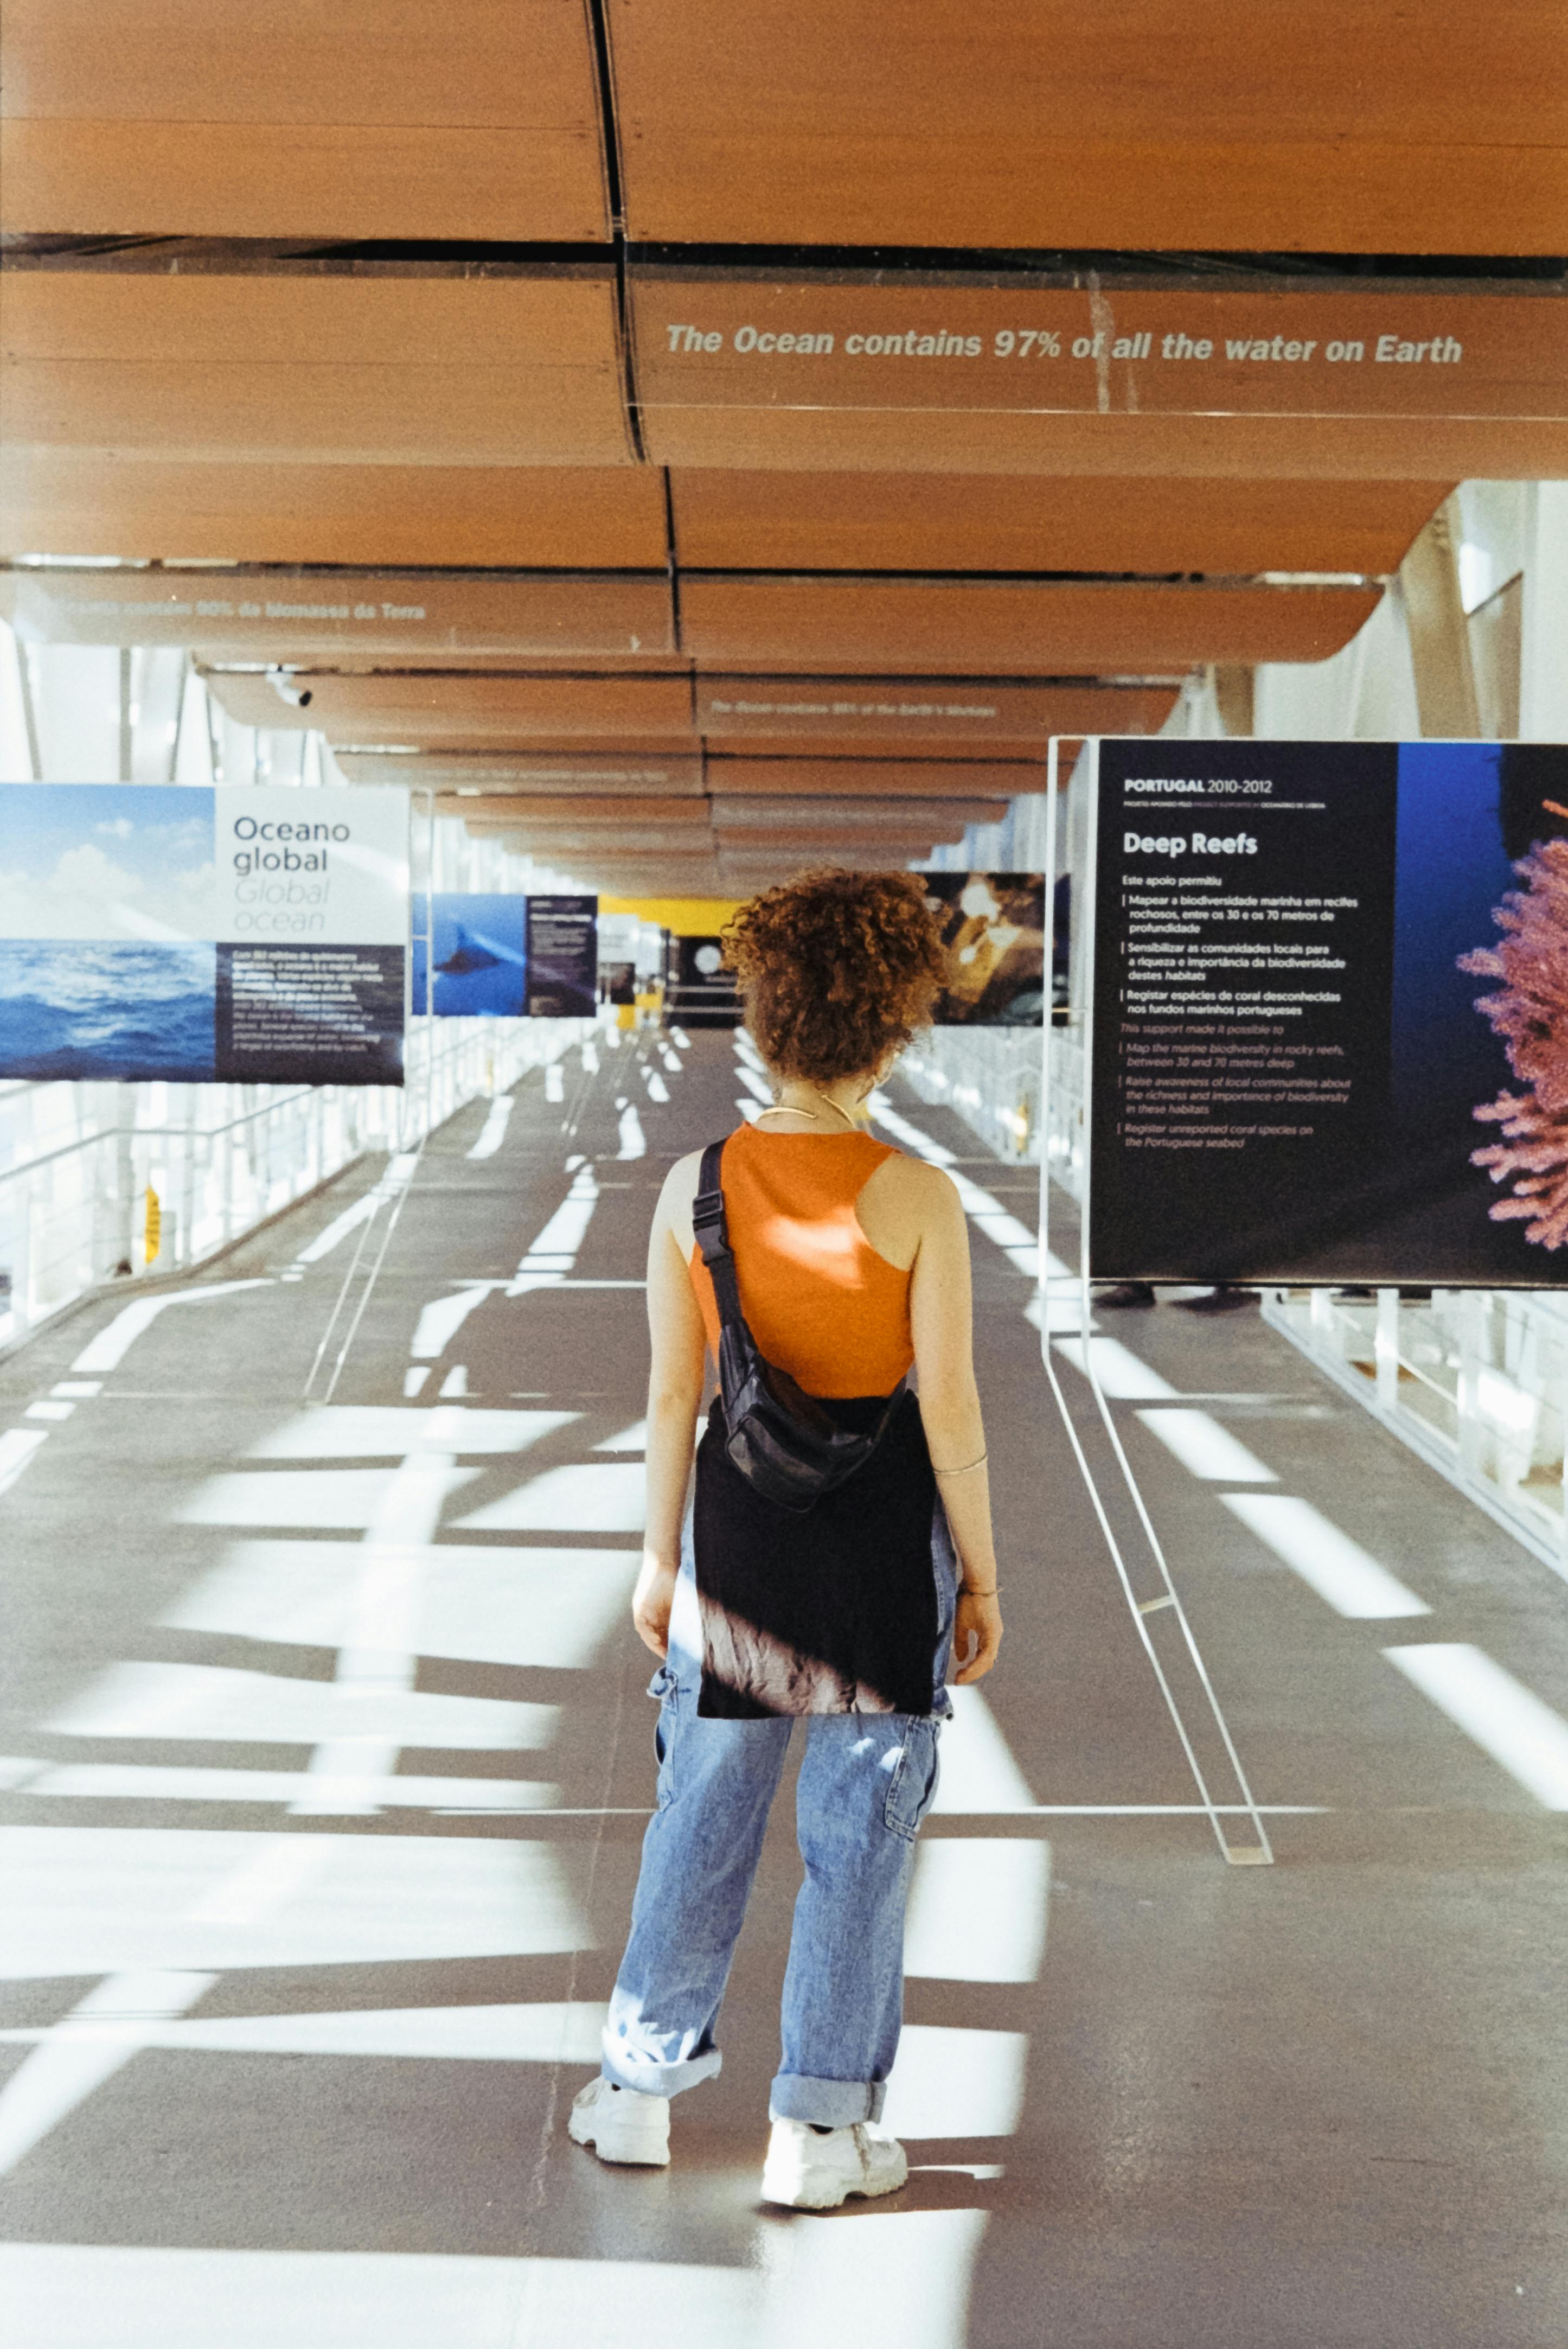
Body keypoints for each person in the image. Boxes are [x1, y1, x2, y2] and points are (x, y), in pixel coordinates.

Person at [569, 869, 1004, 2211]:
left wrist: (655, 1557)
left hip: (738, 1542)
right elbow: (952, 1409)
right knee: (861, 1830)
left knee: (702, 1805)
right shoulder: (919, 1198)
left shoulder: (693, 1189)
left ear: (765, 1020)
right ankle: (819, 2129)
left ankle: (638, 2090)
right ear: (894, 1028)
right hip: (880, 1550)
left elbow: (667, 1396)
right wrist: (979, 1572)